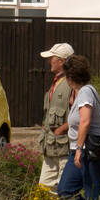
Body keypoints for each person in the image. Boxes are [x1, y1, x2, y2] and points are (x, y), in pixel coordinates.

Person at [57, 55, 100, 200]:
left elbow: (85, 121)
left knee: (92, 194)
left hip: (90, 151)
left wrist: (80, 148)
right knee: (65, 190)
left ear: (70, 77)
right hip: (78, 151)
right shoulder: (82, 92)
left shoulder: (86, 92)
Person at [37, 43, 74, 189]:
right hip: (51, 147)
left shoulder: (71, 83)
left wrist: (61, 129)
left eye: (52, 58)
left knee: (64, 190)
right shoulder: (55, 82)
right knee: (45, 188)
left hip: (65, 148)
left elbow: (79, 116)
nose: (48, 61)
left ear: (62, 61)